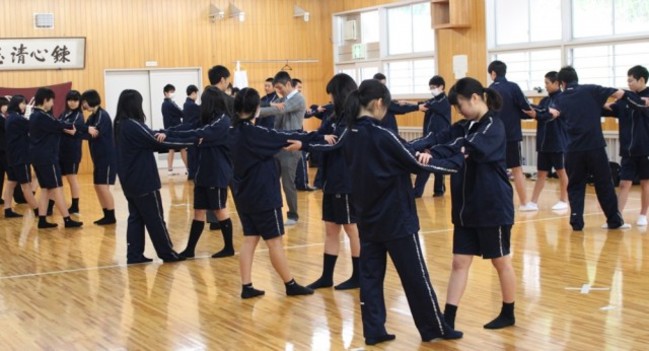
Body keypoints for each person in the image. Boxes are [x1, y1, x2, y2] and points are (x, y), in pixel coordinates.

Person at [343, 79, 464, 345]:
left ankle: (374, 330)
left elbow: (405, 152)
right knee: (415, 275)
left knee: (371, 277)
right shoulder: (381, 134)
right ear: (378, 104)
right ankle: (433, 328)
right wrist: (457, 161)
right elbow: (413, 162)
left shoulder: (349, 133)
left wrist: (426, 147)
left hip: (367, 217)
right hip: (396, 218)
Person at [231, 87, 334, 299]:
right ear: (256, 109)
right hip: (263, 195)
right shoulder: (257, 133)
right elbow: (286, 136)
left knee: (250, 238)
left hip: (244, 194)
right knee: (274, 240)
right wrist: (320, 137)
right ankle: (290, 283)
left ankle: (247, 285)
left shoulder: (231, 132)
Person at [114, 89, 196, 264]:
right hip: (143, 180)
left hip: (129, 179)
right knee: (155, 217)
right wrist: (191, 142)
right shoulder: (132, 124)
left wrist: (163, 133)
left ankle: (134, 254)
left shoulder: (120, 124)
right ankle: (167, 253)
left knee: (136, 217)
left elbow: (151, 135)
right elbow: (155, 141)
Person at [160, 86, 235, 259]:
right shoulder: (207, 119)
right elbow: (189, 127)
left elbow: (198, 133)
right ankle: (190, 249)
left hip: (216, 171)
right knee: (198, 211)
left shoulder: (222, 120)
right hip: (203, 171)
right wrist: (167, 132)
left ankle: (229, 247)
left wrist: (196, 137)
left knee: (219, 209)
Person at [552, 66, 627, 230]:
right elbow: (620, 93)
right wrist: (606, 106)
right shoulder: (591, 90)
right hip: (595, 147)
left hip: (572, 149)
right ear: (576, 78)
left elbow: (553, 114)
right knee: (604, 184)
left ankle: (576, 222)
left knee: (576, 185)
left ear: (562, 83)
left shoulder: (560, 98)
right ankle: (614, 221)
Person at [305, 73, 360, 290]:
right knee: (331, 229)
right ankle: (327, 276)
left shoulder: (352, 118)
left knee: (351, 227)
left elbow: (335, 143)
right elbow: (319, 134)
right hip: (331, 179)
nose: (331, 100)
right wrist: (317, 138)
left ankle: (359, 275)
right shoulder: (334, 116)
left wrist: (308, 144)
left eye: (333, 96)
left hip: (345, 180)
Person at [29, 88, 83, 228]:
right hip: (47, 157)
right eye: (52, 101)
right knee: (57, 187)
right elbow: (59, 125)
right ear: (46, 100)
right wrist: (85, 129)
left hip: (39, 157)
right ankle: (67, 219)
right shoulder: (42, 116)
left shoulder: (35, 115)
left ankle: (42, 219)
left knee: (46, 188)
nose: (53, 104)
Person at [257, 71, 306, 226]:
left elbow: (279, 109)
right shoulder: (281, 99)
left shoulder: (298, 98)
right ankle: (273, 211)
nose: (278, 91)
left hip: (291, 146)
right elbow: (275, 117)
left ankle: (293, 215)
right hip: (278, 145)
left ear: (288, 84)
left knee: (287, 182)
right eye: (276, 88)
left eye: (279, 88)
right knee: (271, 180)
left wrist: (254, 112)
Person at [603, 65, 649, 226]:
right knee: (623, 184)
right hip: (628, 150)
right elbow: (609, 109)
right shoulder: (625, 99)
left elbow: (641, 103)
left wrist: (624, 96)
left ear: (641, 80)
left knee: (645, 183)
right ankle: (617, 217)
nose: (628, 83)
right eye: (627, 81)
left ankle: (643, 214)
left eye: (631, 80)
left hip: (645, 149)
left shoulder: (644, 97)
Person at [487, 60, 535, 211]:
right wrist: (531, 114)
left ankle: (497, 203)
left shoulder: (489, 90)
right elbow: (526, 107)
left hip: (495, 135)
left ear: (493, 73)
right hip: (512, 135)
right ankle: (524, 203)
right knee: (516, 169)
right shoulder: (513, 87)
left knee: (496, 169)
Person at [523, 71, 569, 211]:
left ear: (556, 83)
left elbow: (548, 114)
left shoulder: (562, 99)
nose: (546, 86)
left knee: (562, 172)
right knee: (541, 173)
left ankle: (564, 200)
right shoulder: (544, 101)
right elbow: (540, 112)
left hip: (558, 142)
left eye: (547, 83)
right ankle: (533, 201)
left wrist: (539, 112)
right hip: (543, 143)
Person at [81, 90, 116, 225]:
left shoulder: (102, 115)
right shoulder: (92, 116)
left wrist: (80, 132)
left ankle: (111, 215)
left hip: (107, 157)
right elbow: (85, 130)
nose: (83, 105)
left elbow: (94, 132)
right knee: (97, 186)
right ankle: (106, 214)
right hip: (98, 157)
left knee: (103, 187)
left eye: (84, 102)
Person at [413, 75, 452, 198]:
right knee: (427, 162)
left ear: (442, 87)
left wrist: (406, 104)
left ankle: (437, 190)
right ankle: (425, 190)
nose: (432, 90)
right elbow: (422, 105)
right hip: (430, 137)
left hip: (440, 137)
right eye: (430, 87)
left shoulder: (443, 101)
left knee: (431, 162)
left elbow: (424, 106)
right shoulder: (434, 101)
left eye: (434, 87)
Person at [3, 95, 40, 217]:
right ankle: (37, 210)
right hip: (21, 156)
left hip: (12, 156)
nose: (24, 105)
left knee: (11, 183)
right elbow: (32, 125)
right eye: (22, 103)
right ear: (16, 104)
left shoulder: (10, 117)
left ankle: (7, 209)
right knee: (26, 186)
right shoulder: (17, 119)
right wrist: (30, 113)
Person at [59, 90, 92, 214]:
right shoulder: (64, 113)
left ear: (79, 102)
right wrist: (61, 126)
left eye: (75, 100)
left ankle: (75, 205)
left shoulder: (79, 115)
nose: (72, 103)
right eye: (70, 100)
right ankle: (52, 205)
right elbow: (59, 125)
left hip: (72, 152)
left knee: (71, 178)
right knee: (58, 179)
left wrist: (61, 126)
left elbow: (69, 127)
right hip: (60, 151)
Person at [161, 84, 188, 176]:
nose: (173, 94)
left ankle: (170, 170)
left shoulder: (163, 104)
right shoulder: (171, 104)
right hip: (176, 129)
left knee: (171, 148)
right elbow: (181, 113)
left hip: (168, 129)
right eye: (171, 92)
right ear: (166, 93)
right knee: (183, 147)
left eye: (173, 92)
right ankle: (188, 168)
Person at [183, 84, 200, 181]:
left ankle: (192, 173)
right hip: (192, 132)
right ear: (193, 93)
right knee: (194, 154)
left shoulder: (186, 104)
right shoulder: (191, 105)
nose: (197, 96)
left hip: (188, 132)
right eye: (196, 93)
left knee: (191, 154)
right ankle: (193, 174)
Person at [0, 97, 9, 205]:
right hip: (2, 150)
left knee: (1, 174)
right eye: (5, 105)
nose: (7, 107)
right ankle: (19, 196)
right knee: (12, 174)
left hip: (3, 149)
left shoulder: (4, 117)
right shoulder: (2, 119)